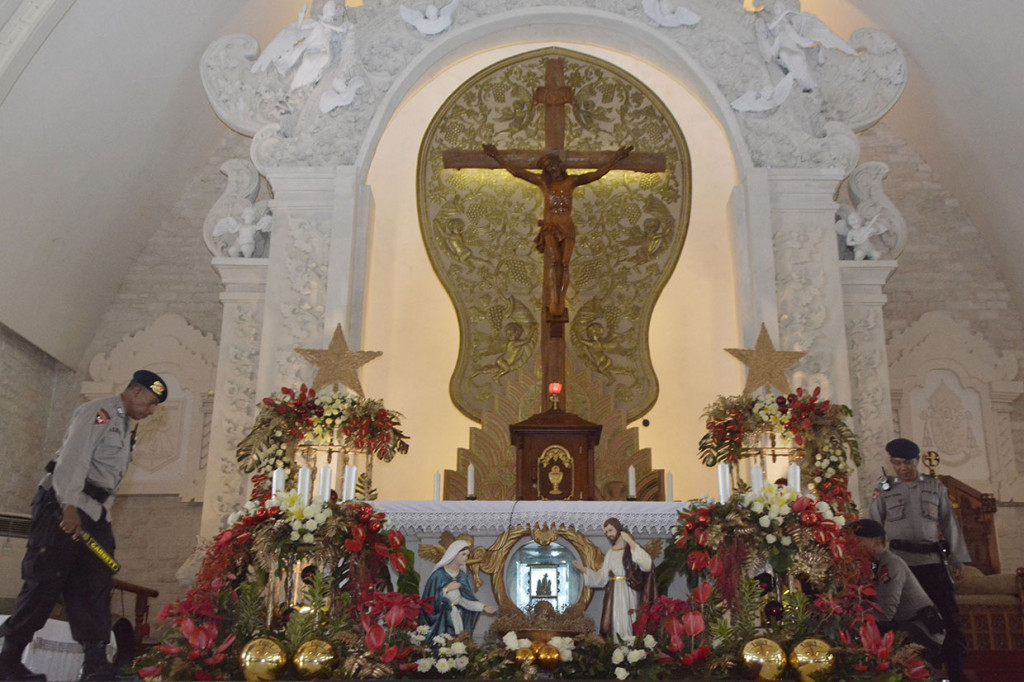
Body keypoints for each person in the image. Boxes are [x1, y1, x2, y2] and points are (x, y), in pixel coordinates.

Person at [0, 370, 167, 682]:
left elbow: (107, 481)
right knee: (45, 581)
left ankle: (95, 666)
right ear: (135, 393)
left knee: (95, 584)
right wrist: (69, 507)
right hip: (63, 505)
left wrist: (101, 517)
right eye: (151, 402)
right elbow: (73, 460)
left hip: (94, 512)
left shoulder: (125, 426)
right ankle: (8, 661)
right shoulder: (99, 413)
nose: (151, 410)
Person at [483, 144, 632, 317]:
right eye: (547, 168)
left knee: (565, 262)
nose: (552, 170)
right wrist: (497, 157)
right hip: (551, 227)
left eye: (553, 165)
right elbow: (518, 173)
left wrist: (616, 159)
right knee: (555, 262)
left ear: (560, 165)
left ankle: (561, 299)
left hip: (567, 226)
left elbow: (596, 175)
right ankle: (555, 300)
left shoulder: (571, 182)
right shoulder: (544, 184)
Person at [868, 437, 970, 682]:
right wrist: (873, 561)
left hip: (932, 561)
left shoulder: (935, 487)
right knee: (901, 617)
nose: (903, 468)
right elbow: (874, 526)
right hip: (900, 563)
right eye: (897, 463)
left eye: (908, 463)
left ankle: (955, 671)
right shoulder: (884, 489)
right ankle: (902, 670)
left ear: (917, 461)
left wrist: (958, 558)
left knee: (947, 616)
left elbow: (949, 522)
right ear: (892, 462)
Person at [851, 518, 946, 665]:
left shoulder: (890, 564)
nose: (851, 546)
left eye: (857, 542)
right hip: (905, 627)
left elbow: (884, 614)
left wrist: (850, 620)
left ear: (876, 543)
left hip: (922, 633)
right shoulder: (875, 564)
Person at [573, 518, 655, 643]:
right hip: (614, 592)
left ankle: (632, 647)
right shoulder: (611, 553)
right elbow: (602, 577)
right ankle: (617, 648)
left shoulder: (631, 549)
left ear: (618, 529)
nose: (608, 534)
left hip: (630, 590)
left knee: (630, 618)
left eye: (610, 530)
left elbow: (647, 565)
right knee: (616, 620)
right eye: (606, 532)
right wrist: (584, 569)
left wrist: (631, 542)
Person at [419, 540, 496, 641]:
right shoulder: (438, 575)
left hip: (456, 619)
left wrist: (483, 607)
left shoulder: (461, 576)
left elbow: (463, 600)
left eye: (467, 555)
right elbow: (428, 601)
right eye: (463, 554)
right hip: (440, 622)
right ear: (454, 554)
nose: (466, 558)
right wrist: (446, 589)